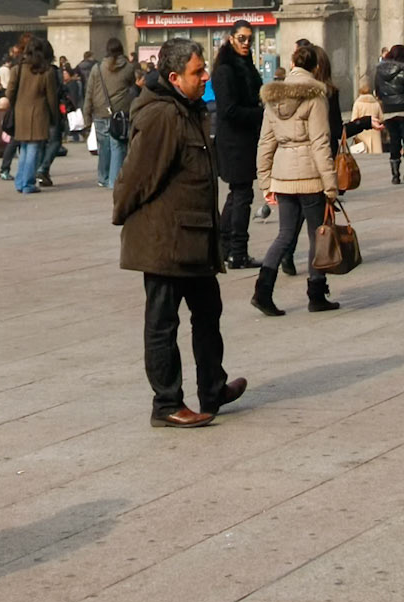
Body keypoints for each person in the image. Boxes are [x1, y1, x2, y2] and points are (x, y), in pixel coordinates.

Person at [112, 39, 246, 429]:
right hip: (165, 239)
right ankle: (167, 402)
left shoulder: (188, 109)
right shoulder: (162, 116)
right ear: (173, 77)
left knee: (208, 312)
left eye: (204, 69)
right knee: (162, 321)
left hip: (193, 236)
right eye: (197, 72)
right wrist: (121, 213)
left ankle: (213, 388)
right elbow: (135, 177)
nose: (205, 77)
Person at [250, 42, 341, 318]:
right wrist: (331, 183)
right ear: (315, 67)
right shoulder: (315, 95)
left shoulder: (273, 98)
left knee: (284, 235)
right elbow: (320, 143)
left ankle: (262, 291)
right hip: (310, 176)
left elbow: (265, 142)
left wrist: (265, 181)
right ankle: (316, 293)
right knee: (317, 235)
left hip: (283, 175)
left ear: (292, 65)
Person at [211, 21, 264, 270]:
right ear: (231, 38)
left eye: (249, 39)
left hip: (244, 138)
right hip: (233, 141)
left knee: (237, 194)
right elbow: (228, 109)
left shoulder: (246, 65)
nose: (246, 44)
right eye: (241, 38)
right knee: (242, 194)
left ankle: (224, 247)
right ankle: (238, 252)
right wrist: (259, 114)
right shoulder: (225, 70)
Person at [5, 39, 58, 193]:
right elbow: (51, 98)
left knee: (24, 148)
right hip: (39, 113)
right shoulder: (47, 72)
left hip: (20, 113)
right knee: (34, 148)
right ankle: (28, 183)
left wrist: (17, 104)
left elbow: (9, 93)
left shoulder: (17, 69)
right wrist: (54, 117)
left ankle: (20, 181)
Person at [85, 36, 137, 191]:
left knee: (104, 147)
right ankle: (114, 180)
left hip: (100, 111)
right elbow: (132, 88)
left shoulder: (98, 68)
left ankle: (103, 177)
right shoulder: (128, 68)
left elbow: (90, 92)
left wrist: (87, 115)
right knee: (118, 146)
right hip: (120, 113)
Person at [374, 42, 404, 184]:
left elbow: (377, 91)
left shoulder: (379, 71)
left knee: (394, 139)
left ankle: (395, 175)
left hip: (389, 110)